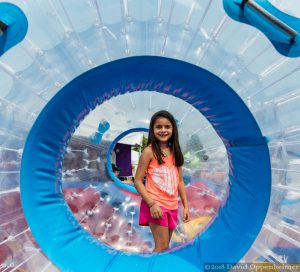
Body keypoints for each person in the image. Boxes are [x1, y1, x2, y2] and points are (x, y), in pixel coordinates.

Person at [134, 110, 189, 252]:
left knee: (165, 248)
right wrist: (152, 204)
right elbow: (138, 181)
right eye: (158, 127)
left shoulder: (175, 152)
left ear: (173, 129)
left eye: (167, 126)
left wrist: (185, 205)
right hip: (156, 204)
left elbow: (180, 181)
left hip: (172, 206)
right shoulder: (149, 152)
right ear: (152, 129)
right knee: (162, 247)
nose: (163, 130)